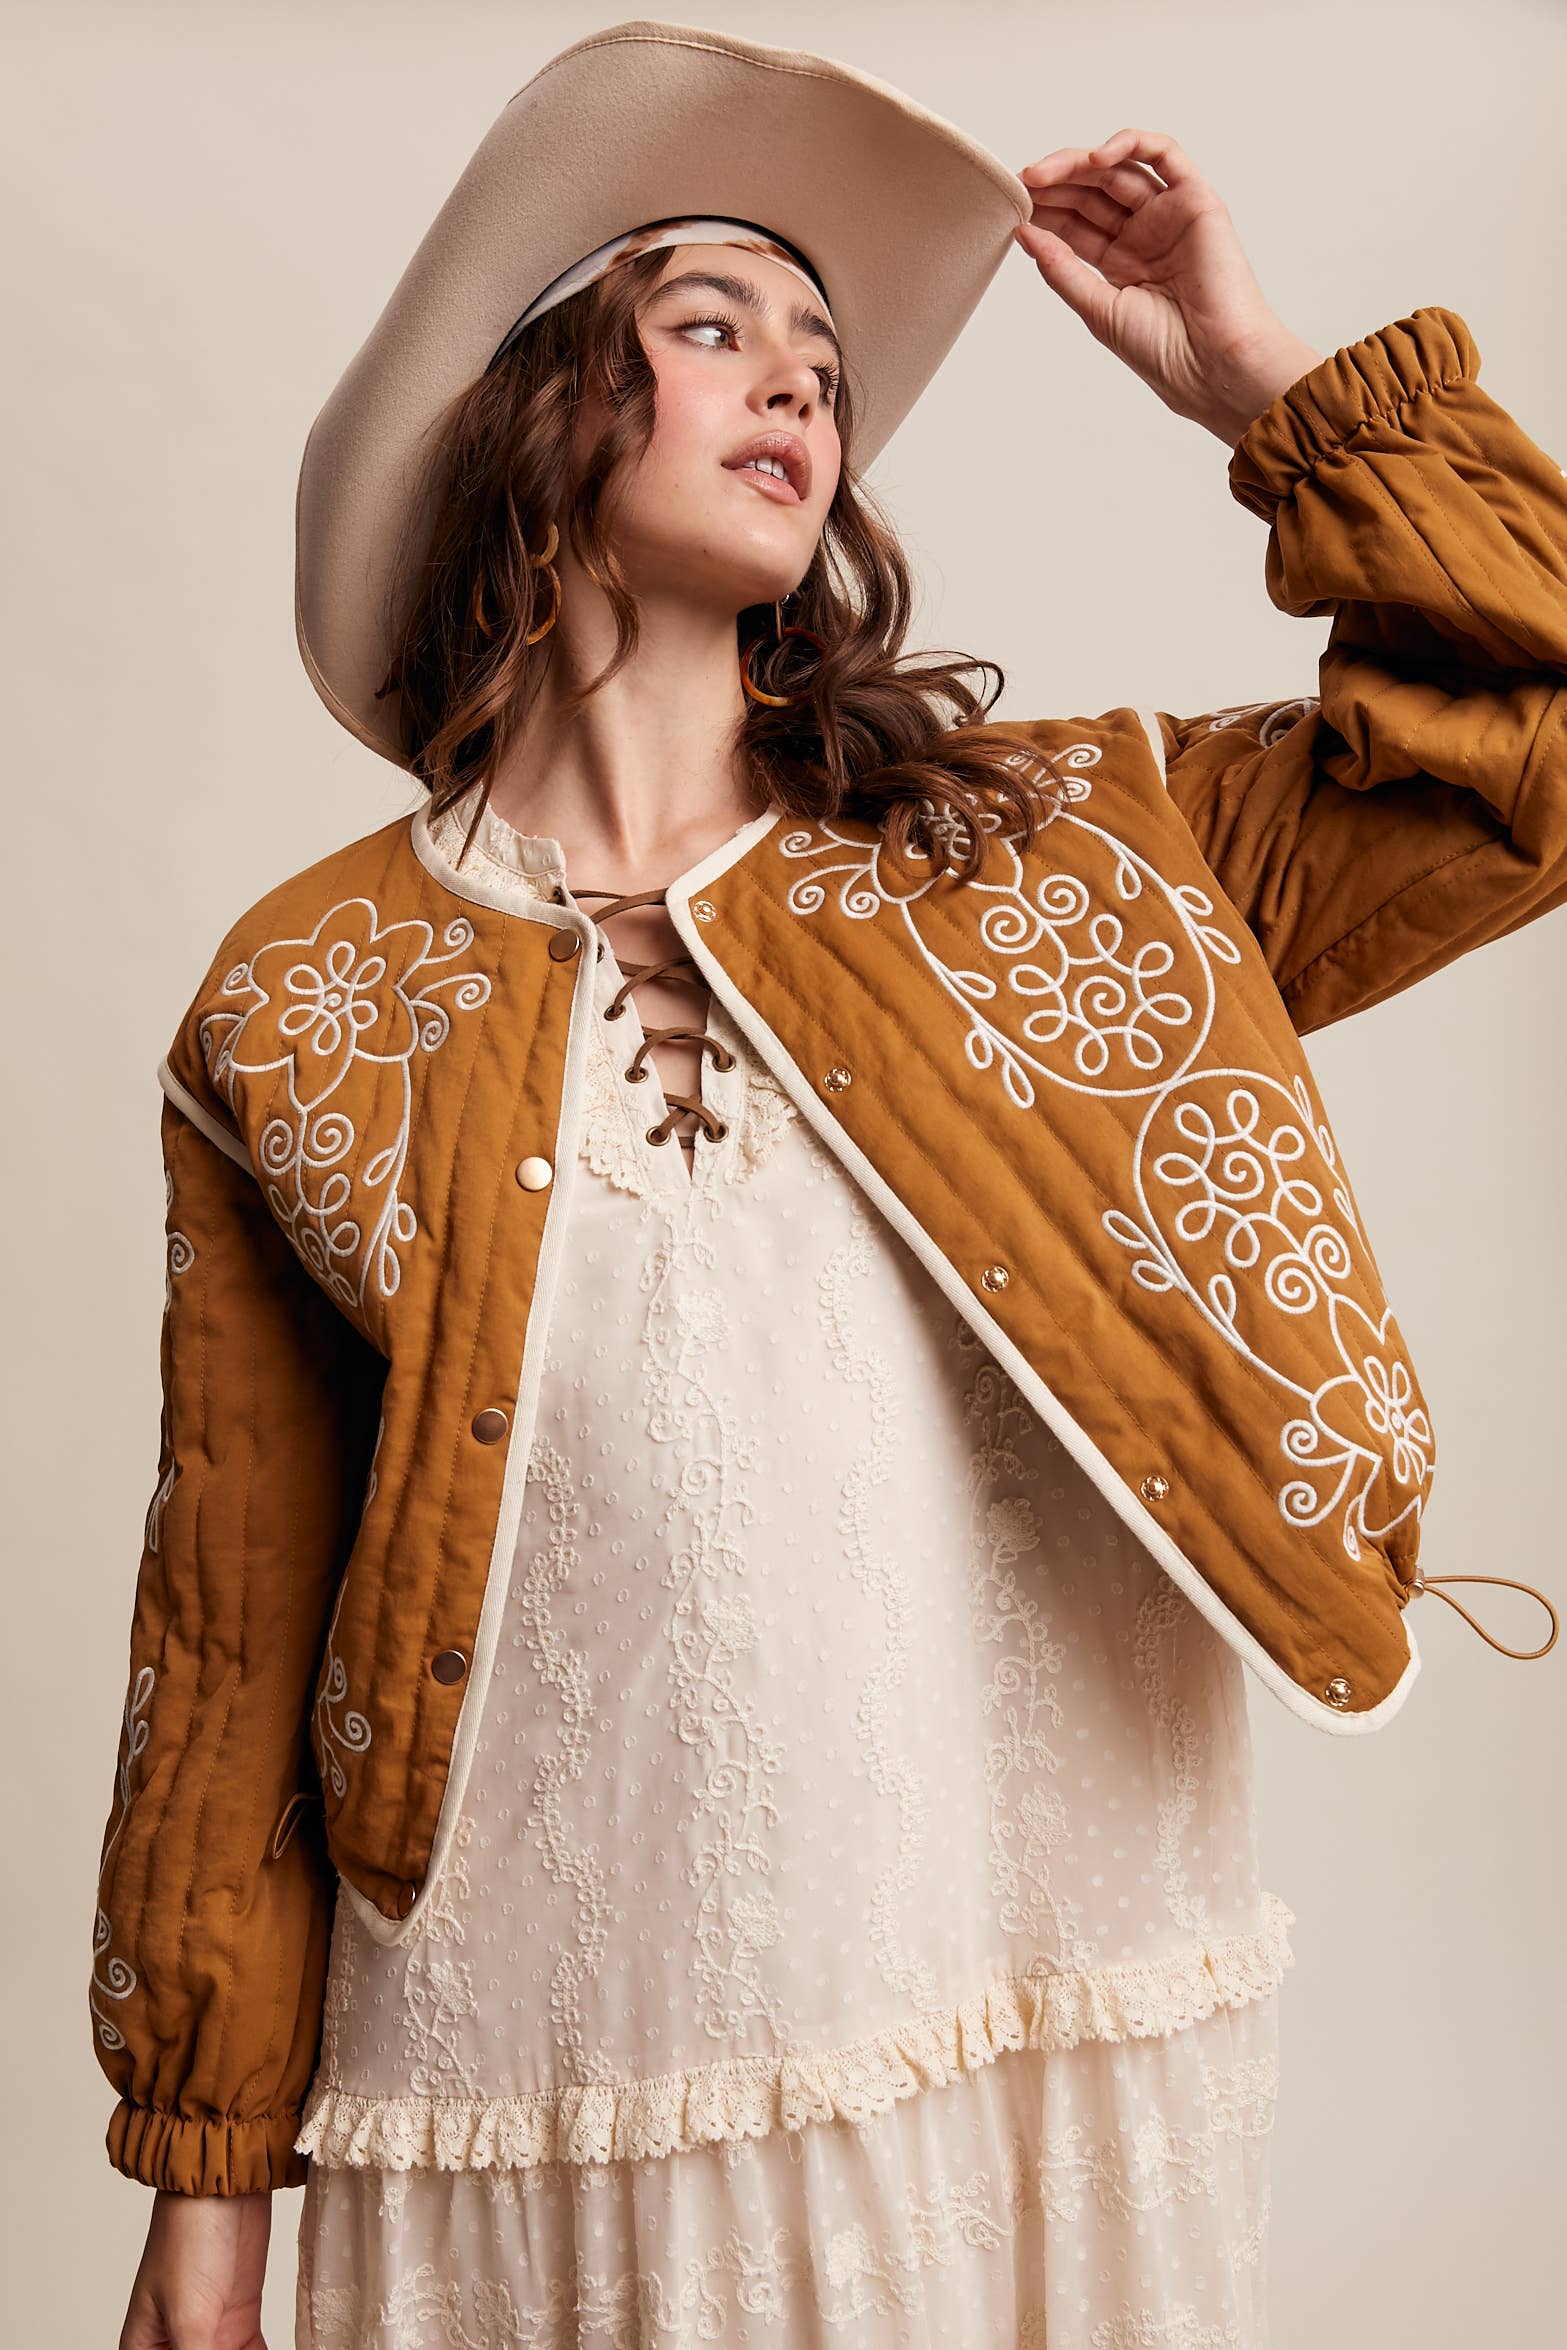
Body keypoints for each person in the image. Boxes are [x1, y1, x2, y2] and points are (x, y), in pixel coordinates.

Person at [98, 20, 1563, 2350]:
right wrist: (202, 2186)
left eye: (824, 357)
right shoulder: (298, 995)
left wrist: (1263, 388)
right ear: (532, 417)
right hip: (534, 2067)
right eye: (710, 327)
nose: (798, 376)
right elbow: (231, 1621)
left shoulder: (1068, 856)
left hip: (1001, 2017)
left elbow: (1528, 742)